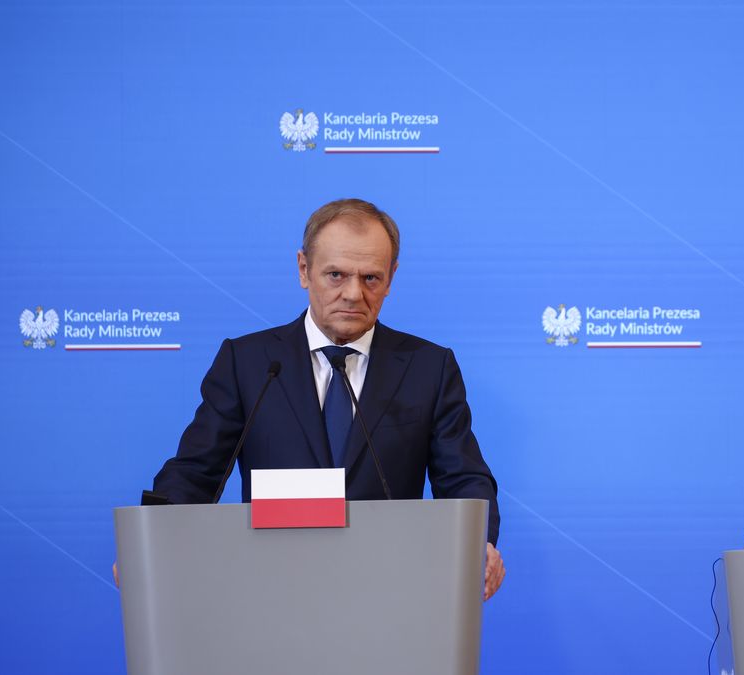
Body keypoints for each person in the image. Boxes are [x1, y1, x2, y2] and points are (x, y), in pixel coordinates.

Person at [150, 198, 505, 598]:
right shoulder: (249, 363)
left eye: (371, 278)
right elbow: (195, 471)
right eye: (336, 274)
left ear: (391, 278)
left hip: (391, 593)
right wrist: (148, 543)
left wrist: (479, 544)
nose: (353, 293)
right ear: (304, 270)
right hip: (272, 592)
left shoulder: (429, 367)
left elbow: (463, 477)